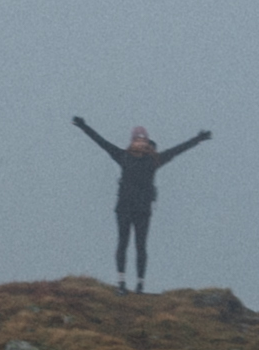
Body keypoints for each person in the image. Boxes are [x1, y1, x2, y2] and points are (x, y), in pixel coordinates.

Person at [72, 115, 211, 291]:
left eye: (143, 140)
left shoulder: (154, 160)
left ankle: (139, 284)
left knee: (140, 246)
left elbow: (178, 150)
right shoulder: (122, 156)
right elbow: (101, 142)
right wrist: (84, 126)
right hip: (123, 208)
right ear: (132, 141)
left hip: (143, 210)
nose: (140, 143)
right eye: (137, 139)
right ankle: (121, 282)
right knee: (122, 243)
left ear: (147, 142)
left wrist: (197, 139)